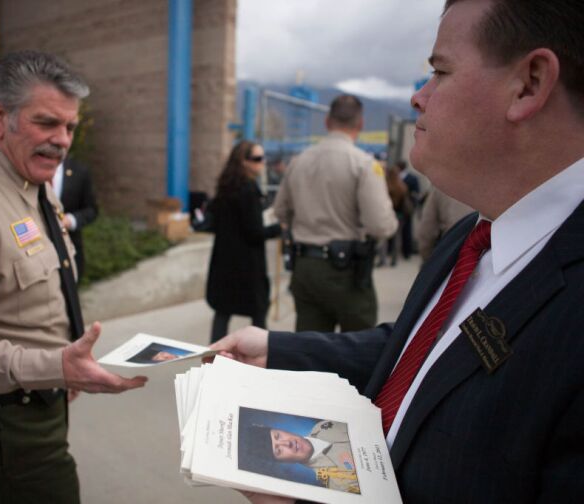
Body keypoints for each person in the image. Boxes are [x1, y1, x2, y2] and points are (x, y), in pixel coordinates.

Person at [213, 0, 584, 502]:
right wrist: (282, 349)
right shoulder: (478, 235)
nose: (417, 97)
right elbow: (423, 350)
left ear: (530, 83)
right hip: (345, 270)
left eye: (439, 71)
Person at [0, 51, 147, 504]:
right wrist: (51, 367)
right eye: (46, 123)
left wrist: (61, 371)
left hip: (37, 404)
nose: (61, 141)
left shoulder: (34, 188)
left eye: (70, 128)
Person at [273, 94, 397, 332]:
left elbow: (280, 211)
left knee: (310, 350)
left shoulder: (298, 161)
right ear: (360, 124)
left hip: (305, 265)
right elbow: (380, 225)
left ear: (327, 121)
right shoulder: (363, 164)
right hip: (346, 269)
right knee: (356, 350)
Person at [206, 141, 281, 342]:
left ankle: (213, 357)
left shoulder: (225, 188)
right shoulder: (248, 191)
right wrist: (279, 229)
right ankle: (262, 358)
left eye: (263, 158)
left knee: (223, 311)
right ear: (243, 161)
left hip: (225, 262)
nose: (262, 163)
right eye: (257, 159)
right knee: (258, 314)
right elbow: (255, 232)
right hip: (248, 265)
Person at [240, 421, 360, 494]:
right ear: (284, 462)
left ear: (282, 430)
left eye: (278, 436)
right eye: (279, 450)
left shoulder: (321, 426)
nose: (287, 444)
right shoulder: (337, 484)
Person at [53, 157, 99, 280]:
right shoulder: (30, 170)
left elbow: (91, 209)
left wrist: (71, 220)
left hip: (70, 250)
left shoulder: (79, 170)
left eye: (68, 135)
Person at [416, 186, 473, 262]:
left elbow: (427, 231)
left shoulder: (442, 186)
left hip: (452, 251)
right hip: (486, 253)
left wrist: (429, 260)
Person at [395, 160, 420, 259]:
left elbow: (416, 194)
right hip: (398, 208)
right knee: (401, 230)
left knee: (406, 230)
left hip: (404, 209)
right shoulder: (395, 177)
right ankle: (397, 252)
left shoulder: (411, 178)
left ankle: (406, 251)